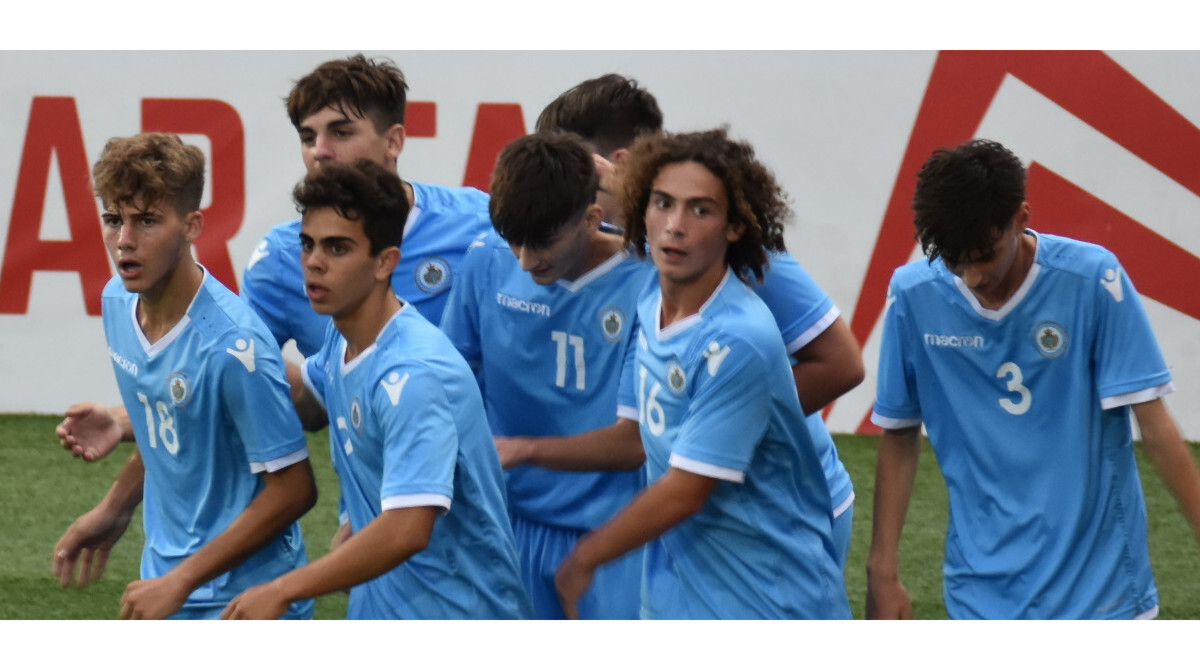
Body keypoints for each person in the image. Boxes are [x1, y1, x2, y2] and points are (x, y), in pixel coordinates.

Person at [518, 74, 863, 569]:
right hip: (709, 511)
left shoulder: (725, 241)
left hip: (786, 513)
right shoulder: (618, 237)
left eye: (568, 169)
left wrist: (715, 431)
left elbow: (842, 364)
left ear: (614, 167)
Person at [867, 138, 1200, 619]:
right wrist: (882, 569)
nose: (973, 276)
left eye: (985, 254)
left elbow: (1154, 422)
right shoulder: (913, 294)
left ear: (1021, 217)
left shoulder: (1093, 280)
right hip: (978, 594)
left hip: (1101, 595)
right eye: (956, 261)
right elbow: (899, 433)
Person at [223, 159, 531, 619]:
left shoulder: (415, 374)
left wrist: (282, 589)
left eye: (338, 248)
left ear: (386, 262)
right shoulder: (343, 336)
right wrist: (227, 352)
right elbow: (307, 397)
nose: (314, 262)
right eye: (308, 244)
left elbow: (408, 529)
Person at [53, 133, 317, 620]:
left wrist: (183, 580)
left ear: (192, 225)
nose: (124, 240)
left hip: (248, 599)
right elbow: (176, 428)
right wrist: (115, 507)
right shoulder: (117, 301)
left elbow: (295, 489)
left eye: (147, 221)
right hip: (165, 581)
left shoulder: (234, 346)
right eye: (113, 219)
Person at [239, 53, 493, 549]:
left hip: (480, 514)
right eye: (308, 137)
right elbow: (277, 388)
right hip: (372, 522)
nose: (320, 151)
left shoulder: (479, 224)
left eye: (341, 132)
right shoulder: (282, 258)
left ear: (394, 140)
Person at [440, 132, 653, 618]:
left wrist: (523, 450)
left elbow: (634, 443)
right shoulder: (486, 259)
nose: (525, 259)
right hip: (502, 527)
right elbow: (447, 385)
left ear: (592, 219)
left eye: (542, 242)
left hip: (611, 540)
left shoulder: (648, 283)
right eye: (513, 240)